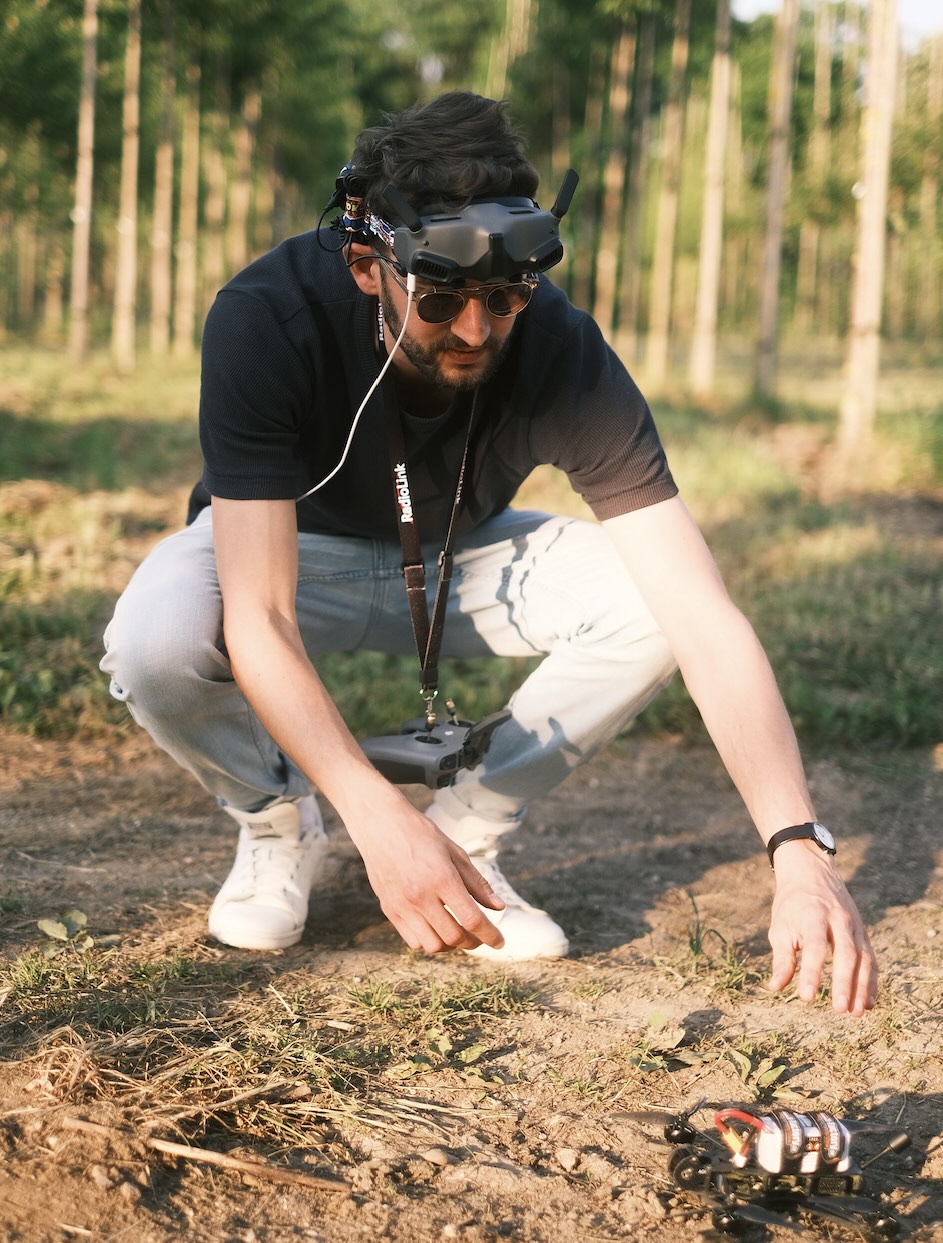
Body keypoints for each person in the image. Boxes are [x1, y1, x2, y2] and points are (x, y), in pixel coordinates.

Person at [101, 91, 877, 1017]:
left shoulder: (558, 344)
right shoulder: (267, 315)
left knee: (645, 601)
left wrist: (796, 846)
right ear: (366, 266)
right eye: (438, 298)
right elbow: (259, 616)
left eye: (506, 296)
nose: (476, 332)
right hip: (287, 556)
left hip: (454, 564)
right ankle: (276, 825)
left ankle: (466, 831)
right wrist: (369, 810)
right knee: (155, 640)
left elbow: (702, 613)